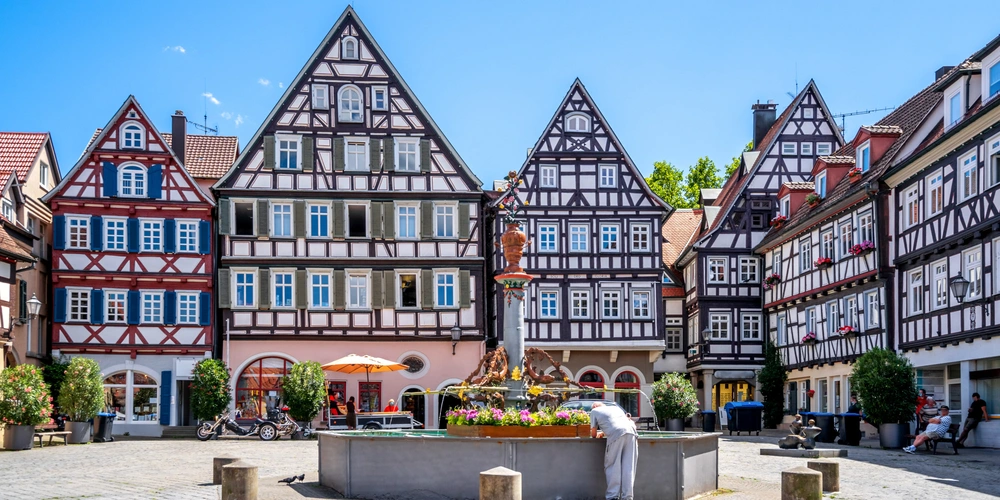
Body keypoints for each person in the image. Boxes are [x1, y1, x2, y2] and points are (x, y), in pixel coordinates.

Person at [590, 402, 638, 500]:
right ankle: (628, 496)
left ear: (594, 406)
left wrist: (600, 433)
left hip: (616, 435)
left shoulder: (594, 411)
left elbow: (593, 433)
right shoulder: (615, 408)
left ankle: (613, 496)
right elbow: (617, 422)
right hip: (632, 432)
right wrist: (604, 432)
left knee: (613, 465)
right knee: (628, 467)